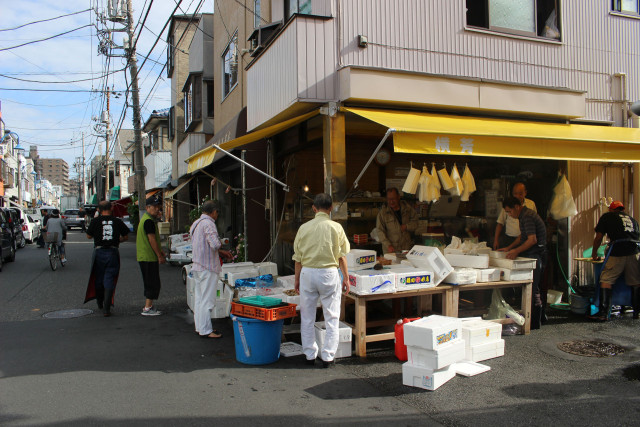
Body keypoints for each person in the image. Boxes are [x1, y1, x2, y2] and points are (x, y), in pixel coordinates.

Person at [293, 193, 350, 368]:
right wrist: (346, 278)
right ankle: (328, 356)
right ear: (331, 208)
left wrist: (296, 280)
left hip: (308, 273)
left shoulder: (304, 228)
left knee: (307, 315)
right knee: (332, 317)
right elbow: (342, 257)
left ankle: (309, 354)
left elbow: (298, 259)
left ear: (314, 208)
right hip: (330, 273)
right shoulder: (337, 228)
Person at [499, 196, 547, 330]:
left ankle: (534, 322)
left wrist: (515, 251)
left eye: (509, 212)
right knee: (533, 288)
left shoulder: (527, 216)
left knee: (532, 288)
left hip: (536, 255)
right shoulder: (523, 216)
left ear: (517, 207)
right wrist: (510, 248)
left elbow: (532, 240)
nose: (509, 215)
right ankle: (535, 320)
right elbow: (522, 236)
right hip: (532, 254)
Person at [588, 201, 640, 321]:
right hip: (635, 252)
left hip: (617, 252)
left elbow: (599, 238)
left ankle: (603, 313)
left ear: (611, 209)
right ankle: (637, 312)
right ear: (622, 209)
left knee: (606, 279)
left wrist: (594, 254)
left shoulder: (607, 216)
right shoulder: (633, 220)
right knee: (636, 282)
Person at [189, 200, 233, 338]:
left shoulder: (196, 223)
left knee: (199, 299)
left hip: (197, 266)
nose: (217, 215)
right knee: (207, 300)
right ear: (214, 212)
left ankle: (200, 327)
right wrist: (221, 244)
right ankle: (206, 330)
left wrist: (222, 252)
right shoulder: (209, 224)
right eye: (217, 212)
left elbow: (203, 245)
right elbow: (214, 244)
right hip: (207, 267)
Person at [84, 200, 130, 316]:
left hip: (99, 251)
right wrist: (117, 240)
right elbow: (126, 237)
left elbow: (88, 236)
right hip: (113, 251)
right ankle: (106, 308)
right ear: (111, 208)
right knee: (109, 277)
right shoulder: (117, 221)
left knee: (98, 278)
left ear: (98, 210)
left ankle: (100, 302)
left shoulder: (95, 221)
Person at [136, 194, 166, 316]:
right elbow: (151, 239)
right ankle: (147, 308)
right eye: (155, 207)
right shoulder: (148, 221)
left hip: (145, 256)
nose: (157, 209)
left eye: (158, 207)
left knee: (151, 281)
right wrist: (159, 255)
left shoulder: (146, 219)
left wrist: (160, 251)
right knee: (152, 282)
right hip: (148, 257)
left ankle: (149, 306)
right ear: (148, 207)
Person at [493, 182, 537, 250]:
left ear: (525, 192)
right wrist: (496, 240)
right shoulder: (508, 205)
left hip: (526, 240)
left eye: (520, 194)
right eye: (515, 194)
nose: (517, 196)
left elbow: (535, 223)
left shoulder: (531, 204)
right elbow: (500, 223)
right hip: (509, 239)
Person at [376, 187, 419, 254]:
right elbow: (379, 231)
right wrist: (388, 245)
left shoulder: (408, 209)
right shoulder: (383, 213)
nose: (391, 202)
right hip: (390, 250)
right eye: (389, 199)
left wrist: (407, 226)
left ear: (398, 197)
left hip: (405, 248)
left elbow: (416, 223)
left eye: (393, 199)